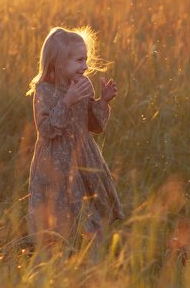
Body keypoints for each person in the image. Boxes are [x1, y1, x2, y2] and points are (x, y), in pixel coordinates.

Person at [26, 26, 124, 247]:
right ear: (59, 62)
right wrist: (66, 102)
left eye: (86, 59)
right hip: (56, 161)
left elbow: (93, 125)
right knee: (59, 209)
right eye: (79, 60)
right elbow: (47, 129)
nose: (86, 66)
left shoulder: (84, 84)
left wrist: (103, 101)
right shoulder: (43, 91)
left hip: (84, 157)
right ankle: (58, 251)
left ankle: (94, 253)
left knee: (92, 208)